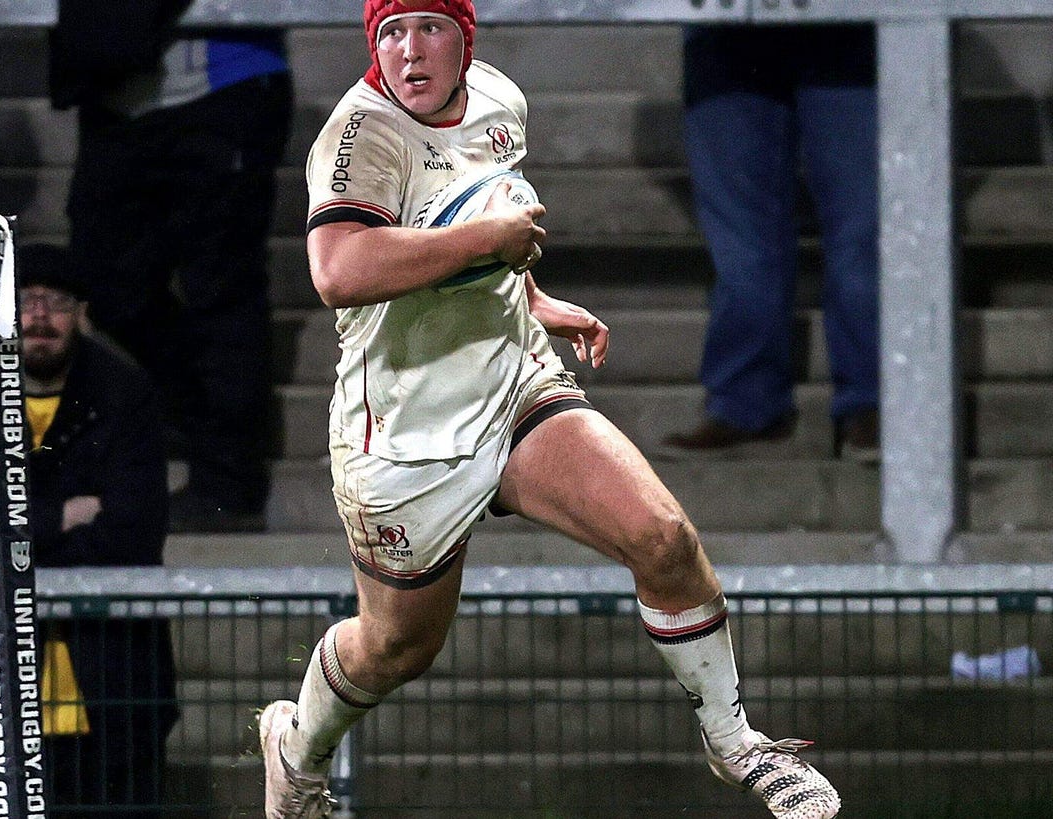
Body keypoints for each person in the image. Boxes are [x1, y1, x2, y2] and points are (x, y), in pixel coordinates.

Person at [258, 3, 841, 818]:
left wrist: (531, 297)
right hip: (405, 434)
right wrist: (489, 245)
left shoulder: (499, 97)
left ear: (466, 38)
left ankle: (736, 740)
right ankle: (296, 750)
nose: (409, 52)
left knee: (664, 539)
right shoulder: (361, 136)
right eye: (391, 33)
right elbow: (339, 269)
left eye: (429, 28)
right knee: (396, 647)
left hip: (512, 383)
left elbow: (481, 212)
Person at [0, 243, 179, 815]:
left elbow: (133, 534)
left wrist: (6, 535)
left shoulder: (124, 394)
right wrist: (60, 517)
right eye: (24, 301)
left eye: (56, 302)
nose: (38, 315)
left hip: (114, 691)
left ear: (80, 313)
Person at [50, 3, 293, 532]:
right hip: (116, 91)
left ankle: (229, 482)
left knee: (222, 296)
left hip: (223, 79)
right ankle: (208, 422)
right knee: (101, 285)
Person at [662, 24, 879, 461]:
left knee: (865, 230)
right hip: (723, 29)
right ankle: (746, 404)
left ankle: (875, 401)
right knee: (742, 245)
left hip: (852, 27)